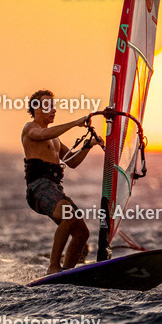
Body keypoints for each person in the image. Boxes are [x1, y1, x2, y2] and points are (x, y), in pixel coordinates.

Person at [22, 89, 103, 275]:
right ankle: (53, 267)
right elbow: (42, 135)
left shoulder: (55, 139)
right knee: (68, 213)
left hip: (54, 187)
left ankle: (67, 272)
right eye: (47, 106)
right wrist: (75, 123)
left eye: (53, 106)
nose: (53, 110)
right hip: (38, 187)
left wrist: (88, 146)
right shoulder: (30, 129)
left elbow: (72, 161)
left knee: (82, 233)